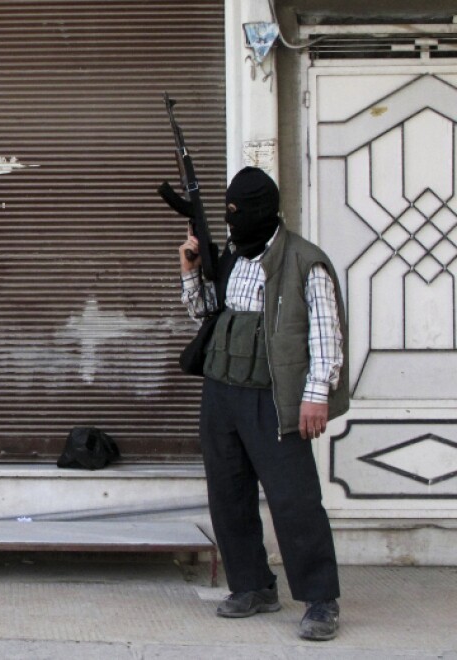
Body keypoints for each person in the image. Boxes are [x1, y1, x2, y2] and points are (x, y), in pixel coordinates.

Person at [179, 166, 348, 641]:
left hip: (275, 398)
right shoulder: (232, 256)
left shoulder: (304, 261)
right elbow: (205, 315)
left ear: (265, 210)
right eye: (227, 213)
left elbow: (325, 335)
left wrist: (316, 396)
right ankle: (253, 587)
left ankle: (320, 600)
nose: (232, 222)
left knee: (295, 501)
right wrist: (191, 270)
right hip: (221, 393)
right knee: (228, 496)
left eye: (239, 212)